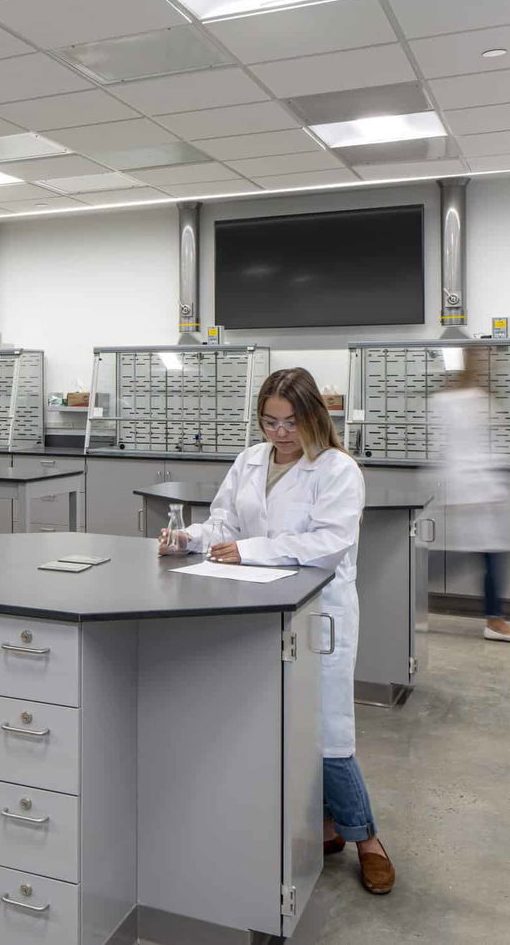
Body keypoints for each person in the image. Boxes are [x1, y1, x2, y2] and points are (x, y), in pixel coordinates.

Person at [159, 367, 395, 895]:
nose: (280, 433)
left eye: (290, 422)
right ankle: (325, 826)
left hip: (318, 613)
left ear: (314, 416)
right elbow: (224, 524)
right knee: (273, 723)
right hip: (256, 607)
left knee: (329, 730)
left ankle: (367, 839)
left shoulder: (337, 470)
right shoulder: (249, 460)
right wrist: (189, 538)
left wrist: (252, 551)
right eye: (269, 421)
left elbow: (329, 543)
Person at [431, 345, 510, 644]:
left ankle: (495, 618)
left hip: (486, 493)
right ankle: (495, 620)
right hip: (473, 494)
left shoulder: (481, 398)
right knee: (472, 555)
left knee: (482, 555)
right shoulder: (451, 401)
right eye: (489, 358)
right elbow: (452, 449)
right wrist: (479, 488)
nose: (495, 364)